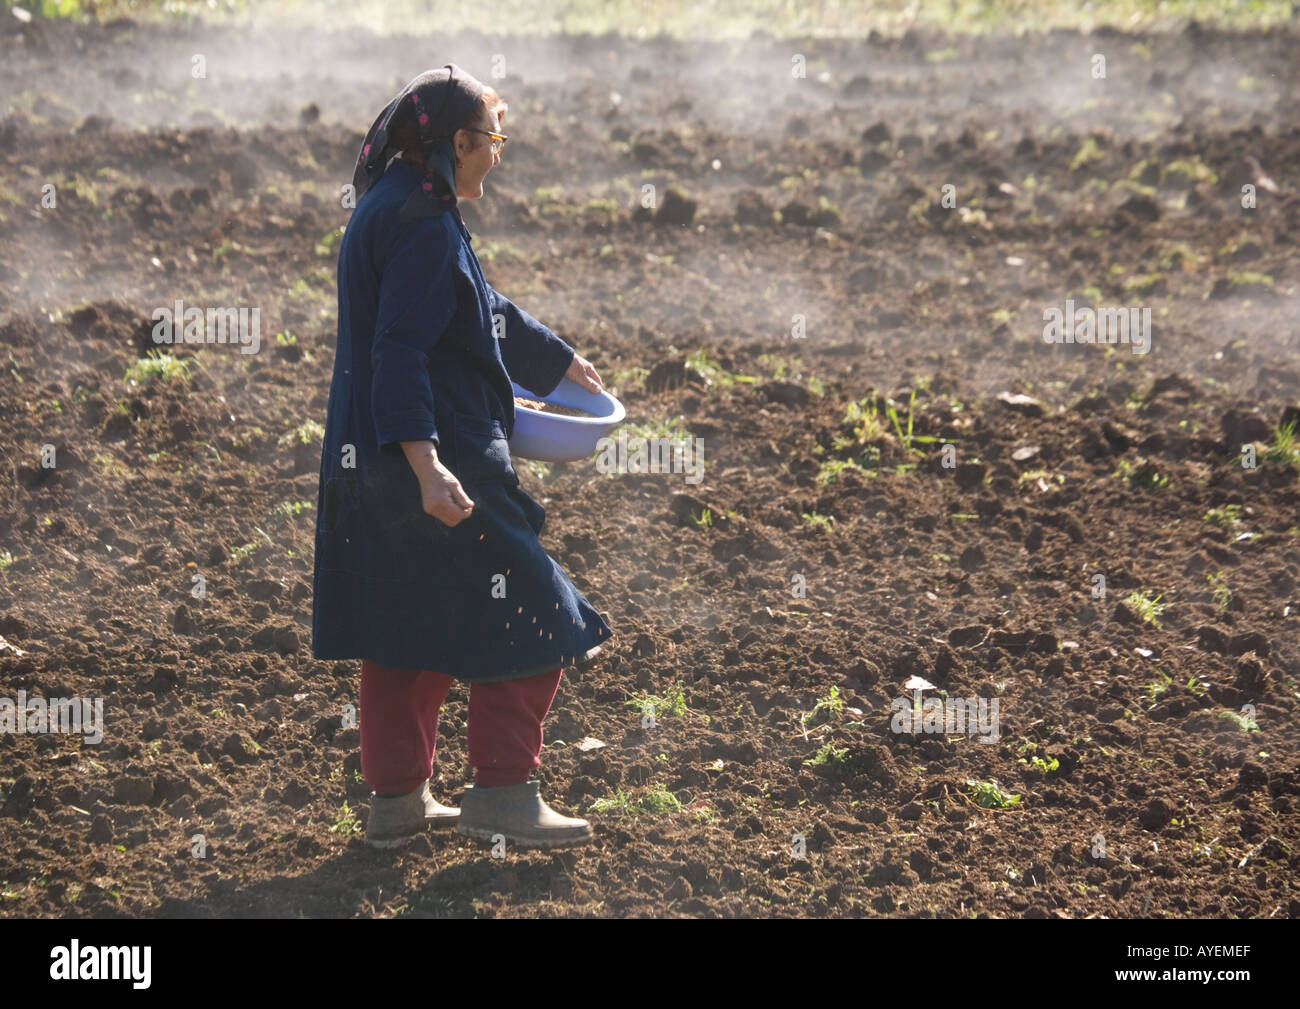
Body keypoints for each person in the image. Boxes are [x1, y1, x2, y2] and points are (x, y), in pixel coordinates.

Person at [311, 64, 614, 849]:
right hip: (438, 455)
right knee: (538, 609)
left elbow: (474, 306)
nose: (497, 154)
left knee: (403, 626)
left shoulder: (396, 204)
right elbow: (401, 349)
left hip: (372, 460)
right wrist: (428, 464)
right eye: (491, 139)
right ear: (454, 142)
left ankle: (398, 805)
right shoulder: (422, 220)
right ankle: (505, 791)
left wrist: (554, 360)